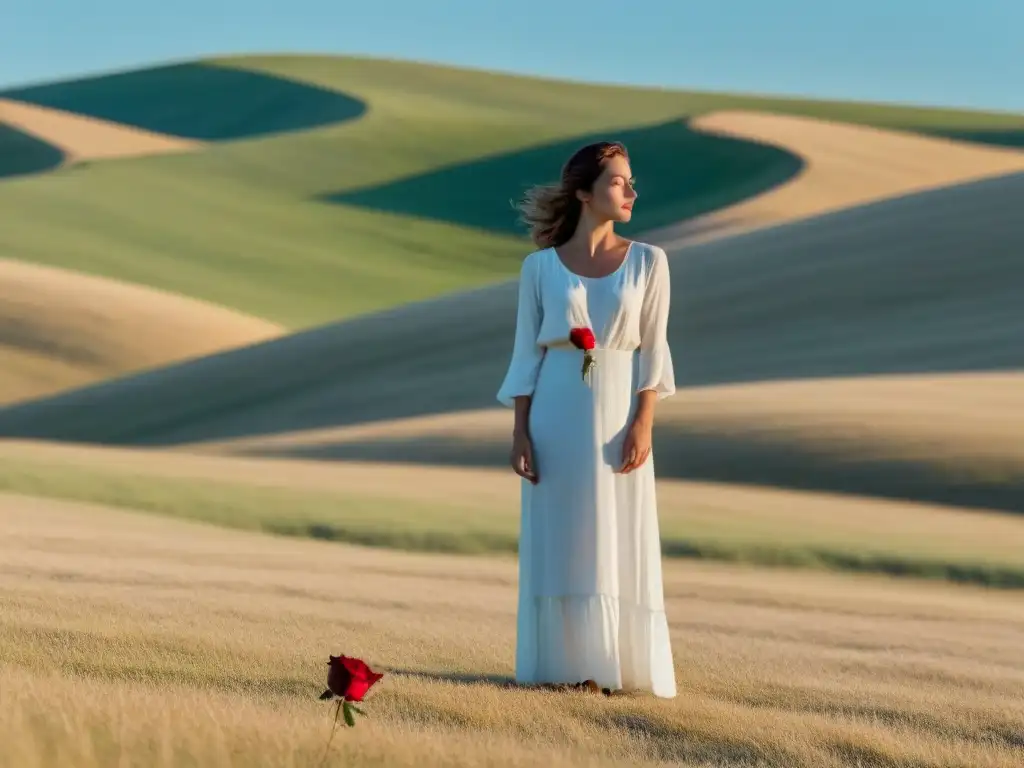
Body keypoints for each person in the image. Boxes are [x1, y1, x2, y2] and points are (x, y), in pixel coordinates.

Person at [496, 141, 677, 698]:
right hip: (555, 412)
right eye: (620, 181)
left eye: (630, 181)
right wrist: (520, 430)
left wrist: (643, 421)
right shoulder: (539, 268)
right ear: (583, 192)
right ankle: (561, 667)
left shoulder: (650, 260)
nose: (631, 191)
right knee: (562, 534)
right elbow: (527, 354)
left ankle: (621, 666)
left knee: (620, 531)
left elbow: (654, 352)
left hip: (620, 410)